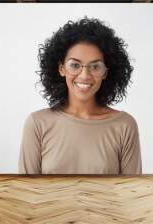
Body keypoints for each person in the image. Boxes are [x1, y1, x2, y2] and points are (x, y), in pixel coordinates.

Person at [19, 17, 142, 174]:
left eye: (95, 66)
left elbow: (131, 192)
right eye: (75, 65)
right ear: (61, 68)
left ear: (105, 72)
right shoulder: (37, 124)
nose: (85, 75)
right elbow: (26, 191)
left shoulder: (125, 125)